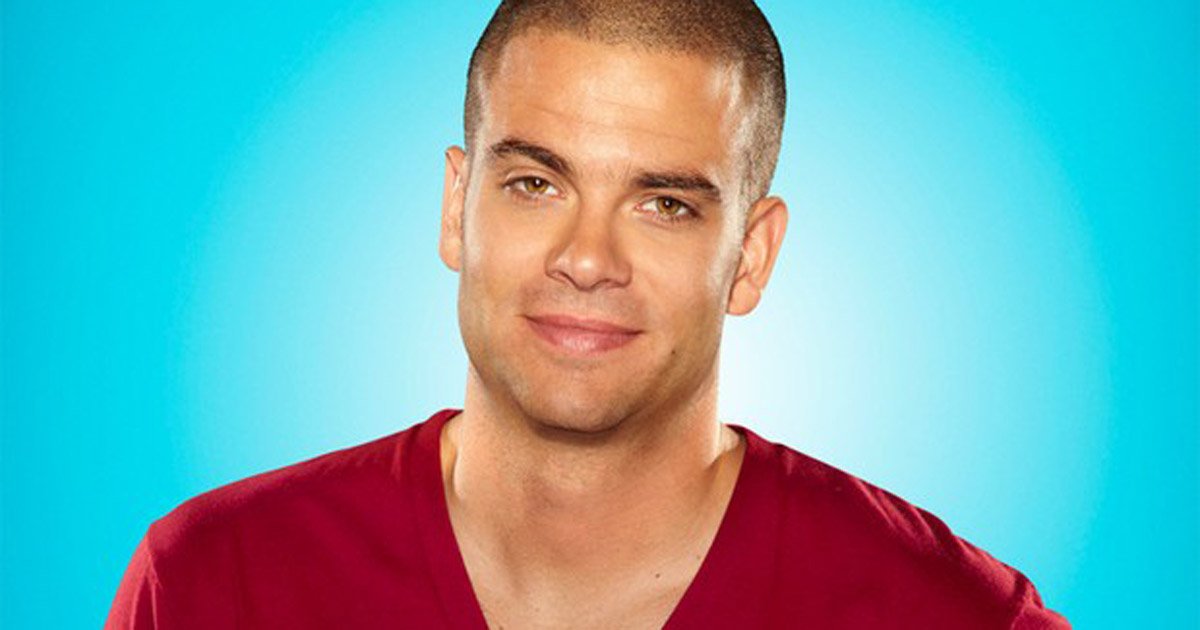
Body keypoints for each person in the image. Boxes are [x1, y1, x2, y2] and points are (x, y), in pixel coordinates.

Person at [106, 1, 1071, 628]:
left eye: (665, 204)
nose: (587, 260)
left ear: (752, 255)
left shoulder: (951, 615)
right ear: (456, 206)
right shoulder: (213, 583)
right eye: (535, 183)